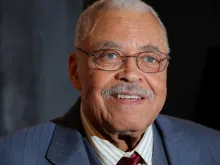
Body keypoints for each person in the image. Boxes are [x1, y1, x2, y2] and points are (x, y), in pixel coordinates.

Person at [1, 0, 220, 164]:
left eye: (150, 58)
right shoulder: (13, 157)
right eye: (110, 56)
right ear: (75, 70)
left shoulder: (213, 148)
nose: (131, 74)